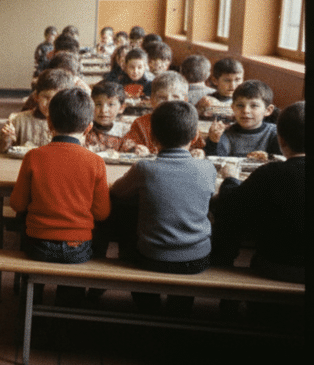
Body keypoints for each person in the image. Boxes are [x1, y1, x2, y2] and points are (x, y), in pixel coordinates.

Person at [108, 101, 215, 312]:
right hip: (197, 259)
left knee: (127, 236)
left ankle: (149, 308)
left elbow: (117, 192)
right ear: (195, 138)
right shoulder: (207, 168)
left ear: (153, 138)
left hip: (152, 257)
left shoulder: (145, 168)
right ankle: (179, 309)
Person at [10, 88, 110, 265]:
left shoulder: (33, 156)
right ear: (88, 128)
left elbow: (17, 204)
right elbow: (102, 214)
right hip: (78, 246)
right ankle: (70, 292)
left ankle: (34, 291)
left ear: (49, 123)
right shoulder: (96, 162)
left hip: (38, 244)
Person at [212, 102, 304, 281]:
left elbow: (231, 205)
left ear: (281, 140)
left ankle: (225, 291)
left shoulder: (270, 173)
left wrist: (230, 179)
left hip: (276, 266)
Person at [122, 72, 207, 155]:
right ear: (152, 100)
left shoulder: (189, 123)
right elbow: (128, 146)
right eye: (162, 98)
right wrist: (136, 149)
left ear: (185, 100)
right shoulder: (140, 124)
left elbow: (199, 147)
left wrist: (199, 153)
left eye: (175, 97)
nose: (169, 102)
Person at [0, 69, 75, 153]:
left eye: (56, 99)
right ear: (36, 97)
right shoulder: (19, 120)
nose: (50, 103)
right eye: (46, 97)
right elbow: (0, 150)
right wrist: (5, 139)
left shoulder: (71, 123)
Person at [203, 80, 281, 158]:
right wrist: (213, 141)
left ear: (268, 110)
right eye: (240, 105)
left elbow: (285, 161)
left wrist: (269, 157)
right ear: (232, 107)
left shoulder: (275, 134)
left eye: (254, 106)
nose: (245, 111)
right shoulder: (225, 134)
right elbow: (213, 163)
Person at [85, 81, 132, 152]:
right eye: (98, 104)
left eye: (111, 105)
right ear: (91, 105)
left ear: (121, 108)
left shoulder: (125, 132)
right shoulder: (84, 131)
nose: (103, 110)